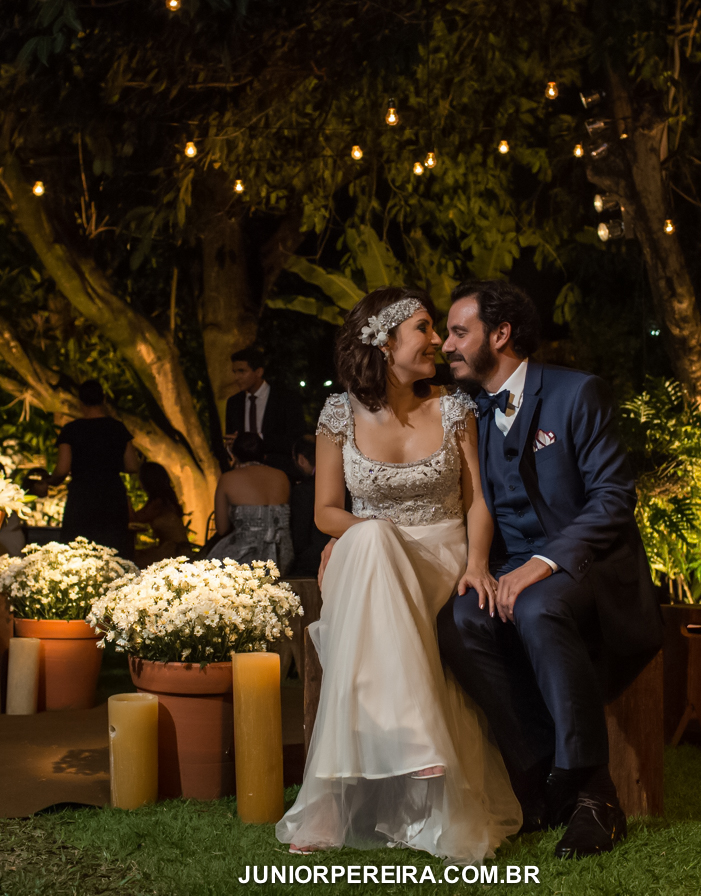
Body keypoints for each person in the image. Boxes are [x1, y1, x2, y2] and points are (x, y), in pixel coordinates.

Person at [275, 287, 520, 863]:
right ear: (384, 343)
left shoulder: (454, 409)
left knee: (371, 556)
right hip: (367, 555)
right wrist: (368, 534)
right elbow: (325, 512)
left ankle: (334, 797)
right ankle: (415, 743)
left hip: (441, 556)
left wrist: (478, 564)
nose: (438, 341)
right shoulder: (338, 414)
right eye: (424, 328)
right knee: (373, 541)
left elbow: (477, 501)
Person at [437, 279, 664, 859]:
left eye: (459, 332)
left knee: (537, 606)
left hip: (589, 567)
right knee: (460, 619)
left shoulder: (576, 392)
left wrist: (541, 564)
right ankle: (542, 778)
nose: (446, 345)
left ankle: (595, 796)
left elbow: (614, 498)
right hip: (510, 566)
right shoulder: (469, 412)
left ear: (501, 334)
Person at [51, 380, 140, 555]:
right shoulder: (117, 428)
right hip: (112, 494)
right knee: (113, 550)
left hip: (82, 495)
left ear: (80, 401)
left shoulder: (71, 430)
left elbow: (62, 469)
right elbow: (132, 465)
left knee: (78, 550)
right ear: (104, 399)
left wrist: (51, 481)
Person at [207, 432, 292, 571]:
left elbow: (222, 529)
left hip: (245, 556)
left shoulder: (228, 479)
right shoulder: (282, 477)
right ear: (264, 455)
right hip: (280, 557)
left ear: (234, 456)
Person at [223, 347, 306, 471]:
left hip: (278, 471)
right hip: (244, 472)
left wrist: (257, 438)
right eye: (235, 372)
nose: (237, 377)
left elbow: (296, 440)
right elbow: (231, 437)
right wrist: (231, 447)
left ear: (258, 372)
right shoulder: (234, 403)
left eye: (242, 371)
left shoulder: (285, 399)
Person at [287, 436, 330, 578]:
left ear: (301, 459)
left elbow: (300, 536)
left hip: (312, 564)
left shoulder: (304, 490)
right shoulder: (343, 483)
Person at [133, 461, 190, 566]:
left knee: (133, 561)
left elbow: (137, 518)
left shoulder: (159, 503)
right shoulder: (164, 500)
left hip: (175, 551)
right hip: (173, 548)